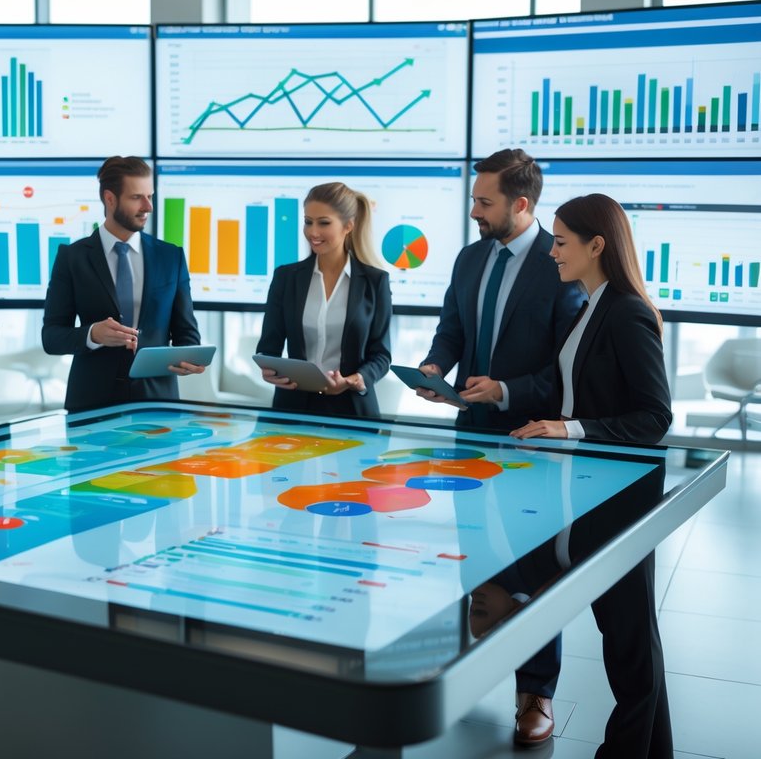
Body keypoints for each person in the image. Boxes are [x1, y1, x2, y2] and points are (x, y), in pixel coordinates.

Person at [417, 148, 583, 746]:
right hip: (469, 434)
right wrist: (438, 365)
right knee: (478, 557)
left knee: (535, 567)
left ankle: (535, 693)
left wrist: (507, 390)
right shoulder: (470, 257)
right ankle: (469, 673)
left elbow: (569, 368)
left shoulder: (558, 262)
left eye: (484, 202)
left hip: (529, 435)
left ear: (521, 203)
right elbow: (453, 328)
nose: (473, 211)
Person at [511, 193, 673, 757]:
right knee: (629, 639)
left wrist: (570, 429)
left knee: (628, 641)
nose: (552, 252)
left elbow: (655, 417)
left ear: (596, 245)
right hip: (590, 492)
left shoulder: (625, 310)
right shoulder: (590, 305)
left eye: (560, 242)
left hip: (620, 497)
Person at [42, 156, 205, 412]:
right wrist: (92, 334)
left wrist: (188, 359)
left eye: (150, 196)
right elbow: (51, 337)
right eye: (136, 197)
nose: (148, 206)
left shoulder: (170, 257)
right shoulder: (72, 257)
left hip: (158, 402)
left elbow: (187, 334)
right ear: (110, 199)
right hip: (90, 402)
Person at [255, 182, 391, 417]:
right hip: (293, 409)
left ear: (348, 225)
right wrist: (269, 369)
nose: (312, 232)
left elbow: (381, 355)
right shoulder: (286, 277)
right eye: (308, 221)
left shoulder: (375, 281)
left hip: (353, 410)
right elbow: (269, 347)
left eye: (324, 223)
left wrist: (355, 379)